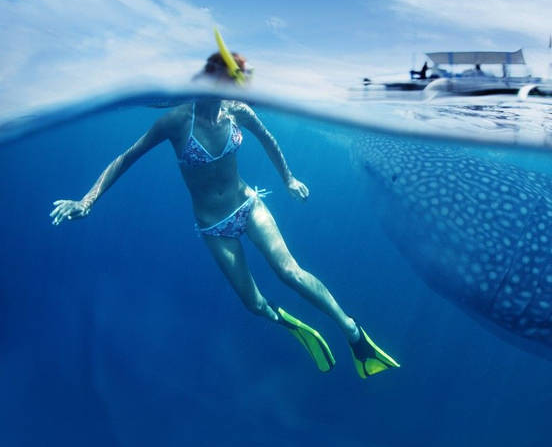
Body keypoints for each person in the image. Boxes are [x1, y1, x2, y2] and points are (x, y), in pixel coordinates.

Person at [50, 41, 399, 379]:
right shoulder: (175, 121)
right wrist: (87, 200)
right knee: (254, 304)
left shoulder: (237, 111)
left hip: (248, 204)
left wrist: (289, 179)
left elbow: (268, 139)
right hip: (214, 225)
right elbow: (127, 157)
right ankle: (287, 322)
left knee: (289, 272)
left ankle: (353, 333)